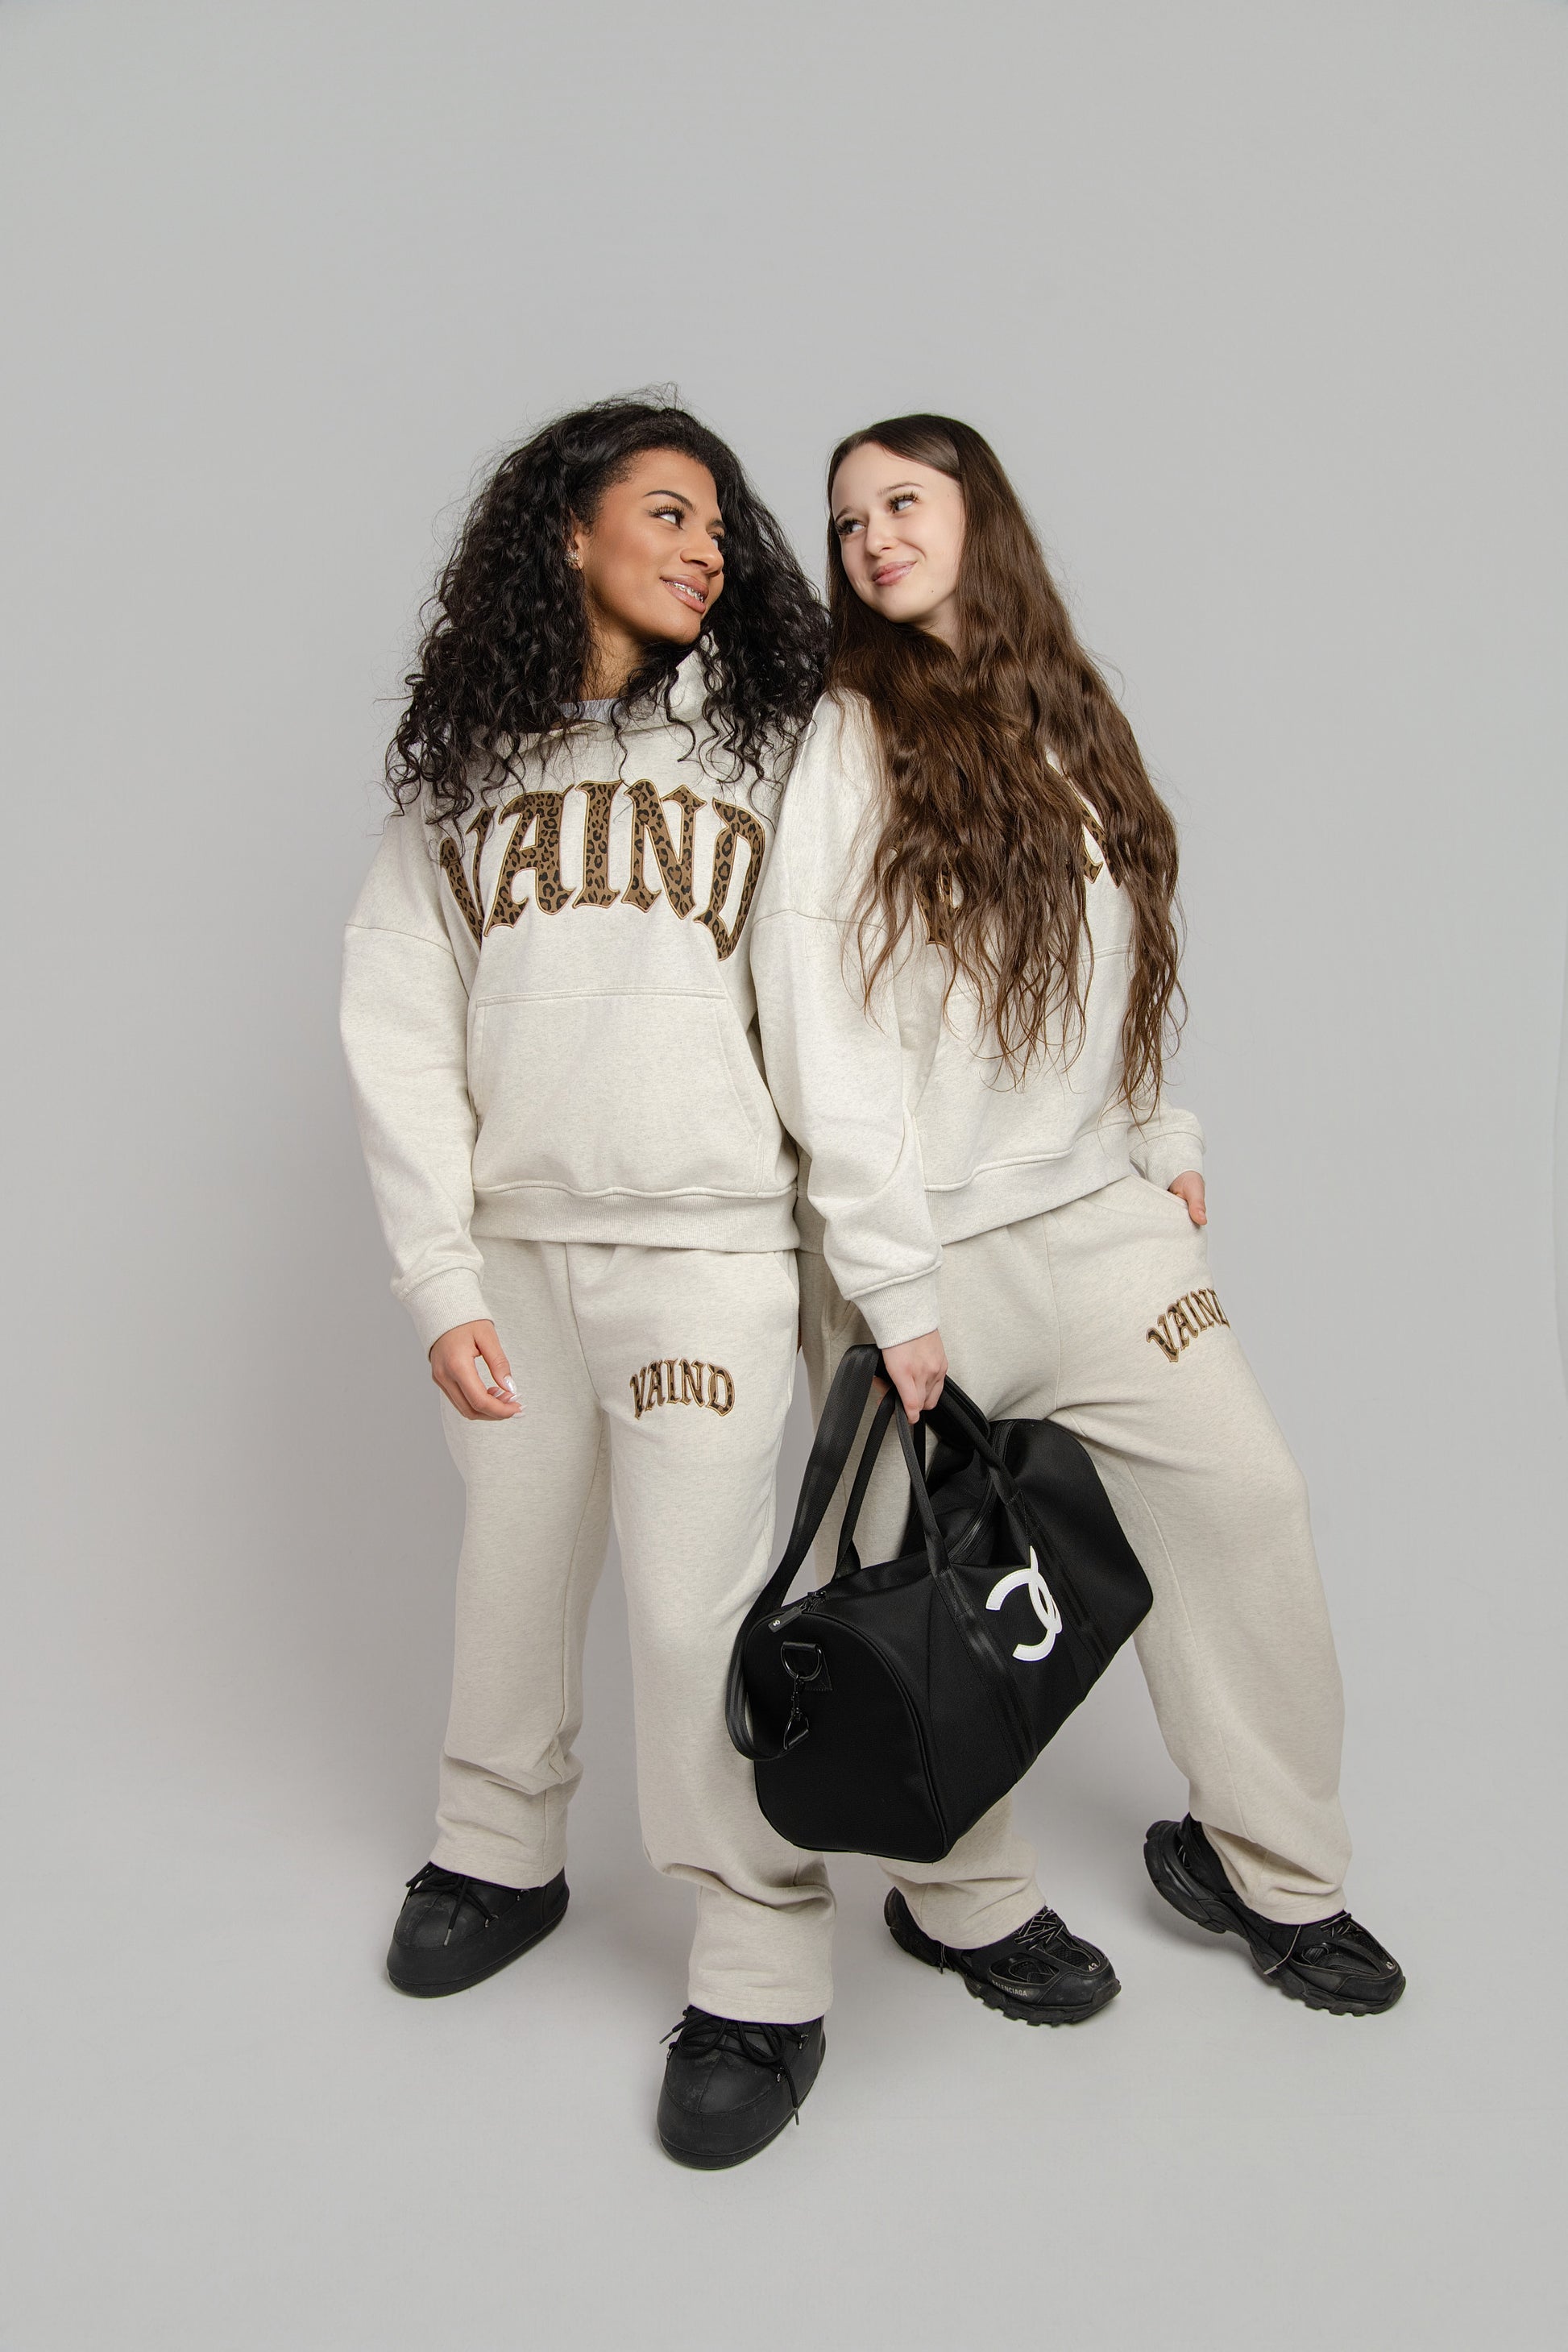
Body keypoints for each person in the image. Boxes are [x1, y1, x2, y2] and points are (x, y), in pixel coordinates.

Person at [749, 413, 1404, 2026]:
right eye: (847, 520)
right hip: (926, 1254)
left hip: (1097, 1224)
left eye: (903, 500)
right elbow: (819, 1025)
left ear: (979, 513)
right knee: (920, 1588)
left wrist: (1157, 1129)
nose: (873, 538)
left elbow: (1116, 960)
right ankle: (963, 1903)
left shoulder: (1070, 713)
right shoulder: (847, 737)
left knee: (1244, 1504)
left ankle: (1271, 1868)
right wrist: (892, 1284)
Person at [340, 397, 838, 2169]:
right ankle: (500, 1854)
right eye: (666, 511)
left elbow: (847, 1014)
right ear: (569, 530)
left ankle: (765, 1967)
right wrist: (438, 1275)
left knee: (699, 1615)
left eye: (719, 524)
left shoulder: (775, 752)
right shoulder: (462, 777)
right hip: (515, 1253)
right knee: (514, 1565)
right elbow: (400, 1031)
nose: (706, 548)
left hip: (706, 1244)